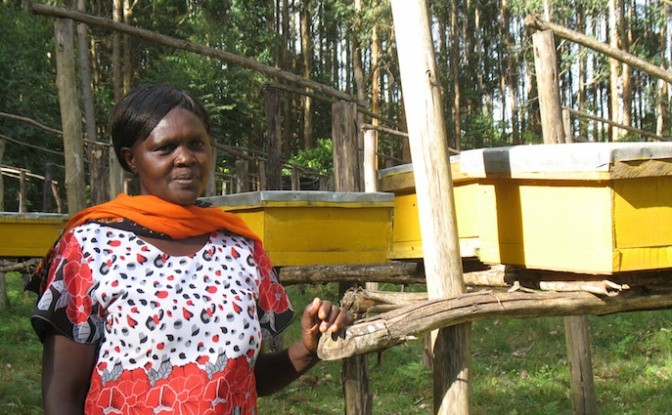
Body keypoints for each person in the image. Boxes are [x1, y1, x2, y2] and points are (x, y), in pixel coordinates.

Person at [28, 84, 351, 415]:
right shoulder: (90, 248)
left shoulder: (241, 248)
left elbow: (248, 378)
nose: (186, 158)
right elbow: (62, 395)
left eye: (197, 144)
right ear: (131, 159)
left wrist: (308, 349)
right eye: (165, 148)